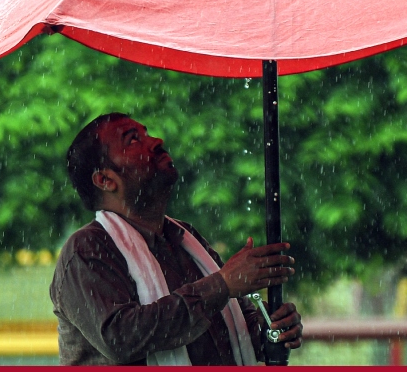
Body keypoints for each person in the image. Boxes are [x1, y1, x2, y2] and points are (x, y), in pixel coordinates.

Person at [50, 112, 304, 365]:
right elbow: (122, 339)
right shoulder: (87, 249)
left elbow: (236, 332)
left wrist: (271, 326)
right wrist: (223, 285)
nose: (156, 141)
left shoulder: (186, 239)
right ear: (105, 180)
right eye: (133, 140)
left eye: (146, 134)